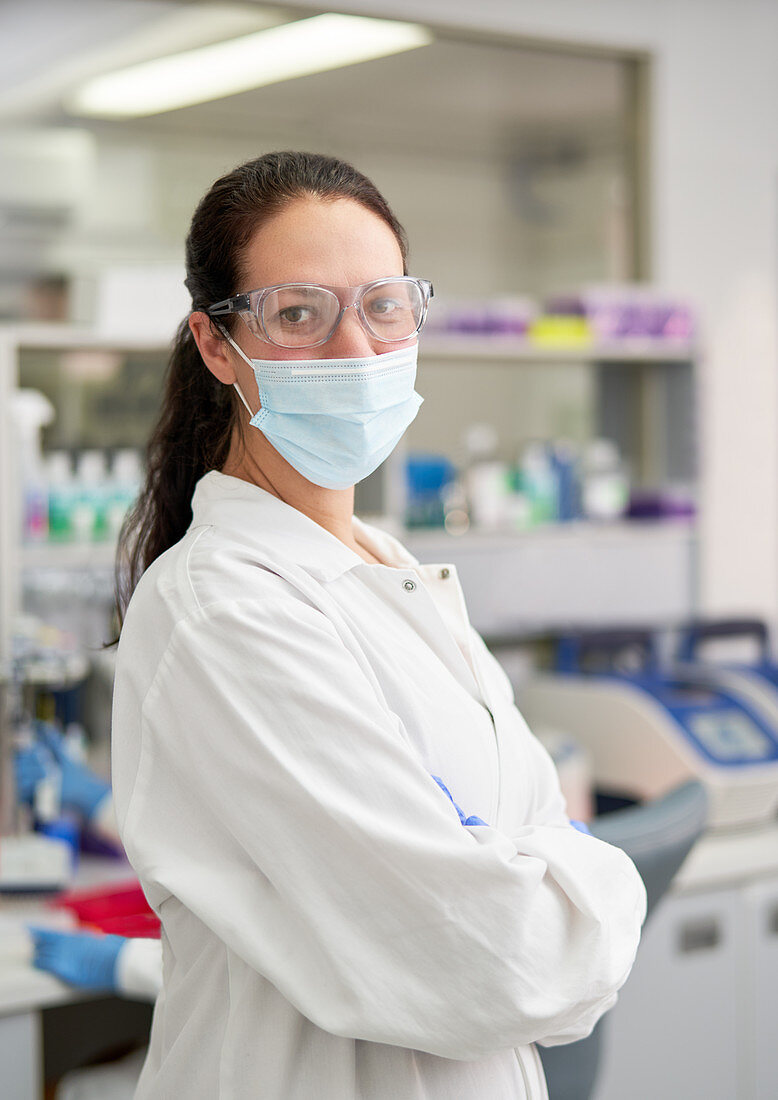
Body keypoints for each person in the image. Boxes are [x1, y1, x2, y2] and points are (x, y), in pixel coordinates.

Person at [110, 150, 646, 1100]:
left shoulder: (387, 566)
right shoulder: (224, 608)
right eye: (300, 314)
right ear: (216, 343)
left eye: (384, 305)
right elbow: (491, 958)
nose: (356, 350)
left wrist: (535, 874)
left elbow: (527, 862)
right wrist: (575, 882)